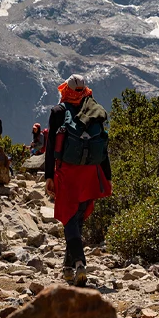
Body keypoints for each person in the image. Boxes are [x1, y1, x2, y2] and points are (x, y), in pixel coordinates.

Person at [44, 74, 112, 287]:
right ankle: (67, 268)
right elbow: (103, 146)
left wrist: (48, 176)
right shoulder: (94, 109)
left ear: (66, 90)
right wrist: (107, 176)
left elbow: (50, 148)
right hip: (90, 171)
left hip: (67, 173)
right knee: (78, 218)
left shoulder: (58, 112)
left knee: (68, 217)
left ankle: (80, 263)